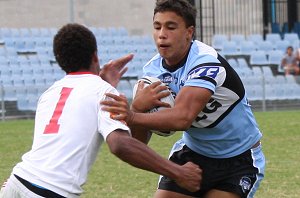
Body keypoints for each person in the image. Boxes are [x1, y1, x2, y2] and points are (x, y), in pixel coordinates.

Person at [0, 23, 202, 198]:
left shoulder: (50, 92)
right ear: (95, 56)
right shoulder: (101, 91)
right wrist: (178, 172)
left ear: (60, 60)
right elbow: (120, 144)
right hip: (49, 192)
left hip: (15, 182)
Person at [101, 0, 265, 198]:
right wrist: (136, 107)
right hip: (193, 154)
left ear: (189, 32)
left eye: (171, 27)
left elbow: (182, 118)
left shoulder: (206, 62)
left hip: (239, 158)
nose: (162, 34)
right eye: (157, 27)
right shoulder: (153, 72)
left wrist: (132, 116)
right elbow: (138, 142)